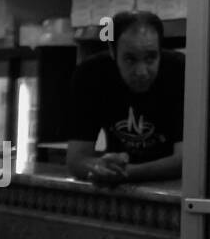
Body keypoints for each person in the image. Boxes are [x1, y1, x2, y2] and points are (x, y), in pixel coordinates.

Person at [66, 10, 184, 185]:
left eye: (151, 58)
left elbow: (186, 161)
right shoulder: (91, 75)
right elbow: (76, 159)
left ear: (161, 51)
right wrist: (100, 167)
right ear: (113, 52)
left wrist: (123, 173)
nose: (142, 72)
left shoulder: (180, 71)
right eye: (130, 59)